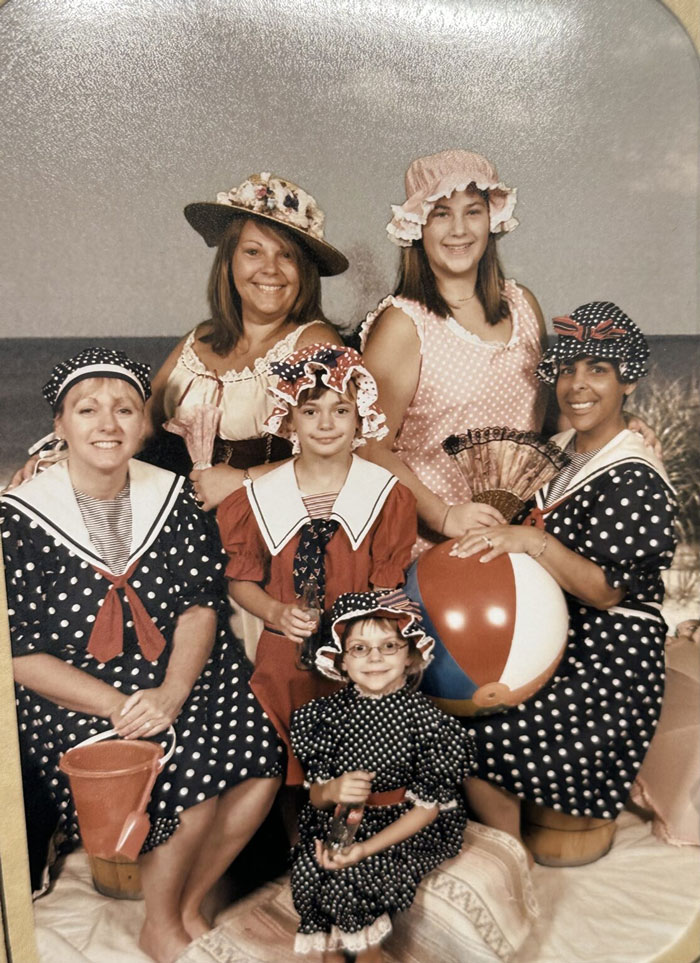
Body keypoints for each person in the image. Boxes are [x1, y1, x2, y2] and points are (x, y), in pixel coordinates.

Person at [0, 348, 285, 963]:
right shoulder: (17, 518)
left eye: (124, 409)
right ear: (60, 426)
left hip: (179, 671)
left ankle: (186, 905)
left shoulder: (174, 498)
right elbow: (18, 655)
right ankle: (162, 926)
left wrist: (172, 691)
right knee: (184, 765)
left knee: (263, 757)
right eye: (87, 410)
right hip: (75, 688)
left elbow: (200, 605)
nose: (107, 424)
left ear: (144, 424)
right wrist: (125, 705)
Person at [451, 303, 677, 847]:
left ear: (628, 381)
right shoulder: (556, 450)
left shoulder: (635, 473)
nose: (578, 384)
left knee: (479, 737)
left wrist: (532, 539)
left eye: (598, 369)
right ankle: (508, 858)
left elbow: (604, 591)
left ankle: (513, 861)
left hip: (609, 650)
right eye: (568, 369)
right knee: (446, 711)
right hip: (547, 632)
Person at [217, 345, 417, 786]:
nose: (326, 424)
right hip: (284, 658)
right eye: (311, 411)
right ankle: (292, 841)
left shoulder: (386, 496)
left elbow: (385, 588)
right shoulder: (255, 499)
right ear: (289, 420)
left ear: (361, 417)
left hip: (355, 658)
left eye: (340, 410)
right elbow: (240, 580)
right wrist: (274, 612)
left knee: (354, 759)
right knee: (284, 759)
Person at [359, 149, 547, 554]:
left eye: (473, 211)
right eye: (442, 213)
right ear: (418, 226)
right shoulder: (404, 325)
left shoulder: (525, 307)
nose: (459, 229)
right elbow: (369, 447)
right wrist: (442, 515)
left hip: (520, 540)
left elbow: (549, 425)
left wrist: (623, 424)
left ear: (491, 221)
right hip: (432, 548)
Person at [290, 590, 472, 962]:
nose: (374, 658)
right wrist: (333, 789)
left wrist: (364, 849)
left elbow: (426, 811)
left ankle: (368, 950)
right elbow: (316, 798)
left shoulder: (428, 723)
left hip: (405, 823)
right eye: (359, 648)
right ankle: (328, 949)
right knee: (310, 867)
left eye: (389, 646)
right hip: (343, 819)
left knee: (353, 877)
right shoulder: (324, 716)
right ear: (340, 660)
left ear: (410, 656)